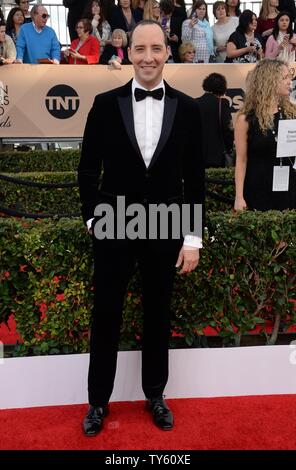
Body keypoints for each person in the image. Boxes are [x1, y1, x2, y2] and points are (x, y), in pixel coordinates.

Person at [78, 19, 204, 436]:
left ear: (167, 52)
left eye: (155, 49)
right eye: (139, 49)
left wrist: (191, 238)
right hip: (114, 225)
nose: (148, 57)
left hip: (165, 226)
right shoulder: (104, 103)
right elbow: (86, 171)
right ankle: (98, 402)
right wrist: (94, 218)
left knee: (157, 314)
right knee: (107, 314)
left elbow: (195, 180)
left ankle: (156, 394)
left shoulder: (188, 109)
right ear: (128, 53)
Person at [234, 58, 296, 211]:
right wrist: (239, 197)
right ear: (269, 80)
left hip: (289, 190)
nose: (290, 82)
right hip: (258, 192)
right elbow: (241, 161)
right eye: (285, 77)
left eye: (290, 77)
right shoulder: (246, 119)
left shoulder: (292, 113)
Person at [196, 73, 233, 168]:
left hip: (196, 155)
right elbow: (227, 129)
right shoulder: (222, 104)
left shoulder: (194, 103)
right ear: (222, 88)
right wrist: (229, 148)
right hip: (217, 156)